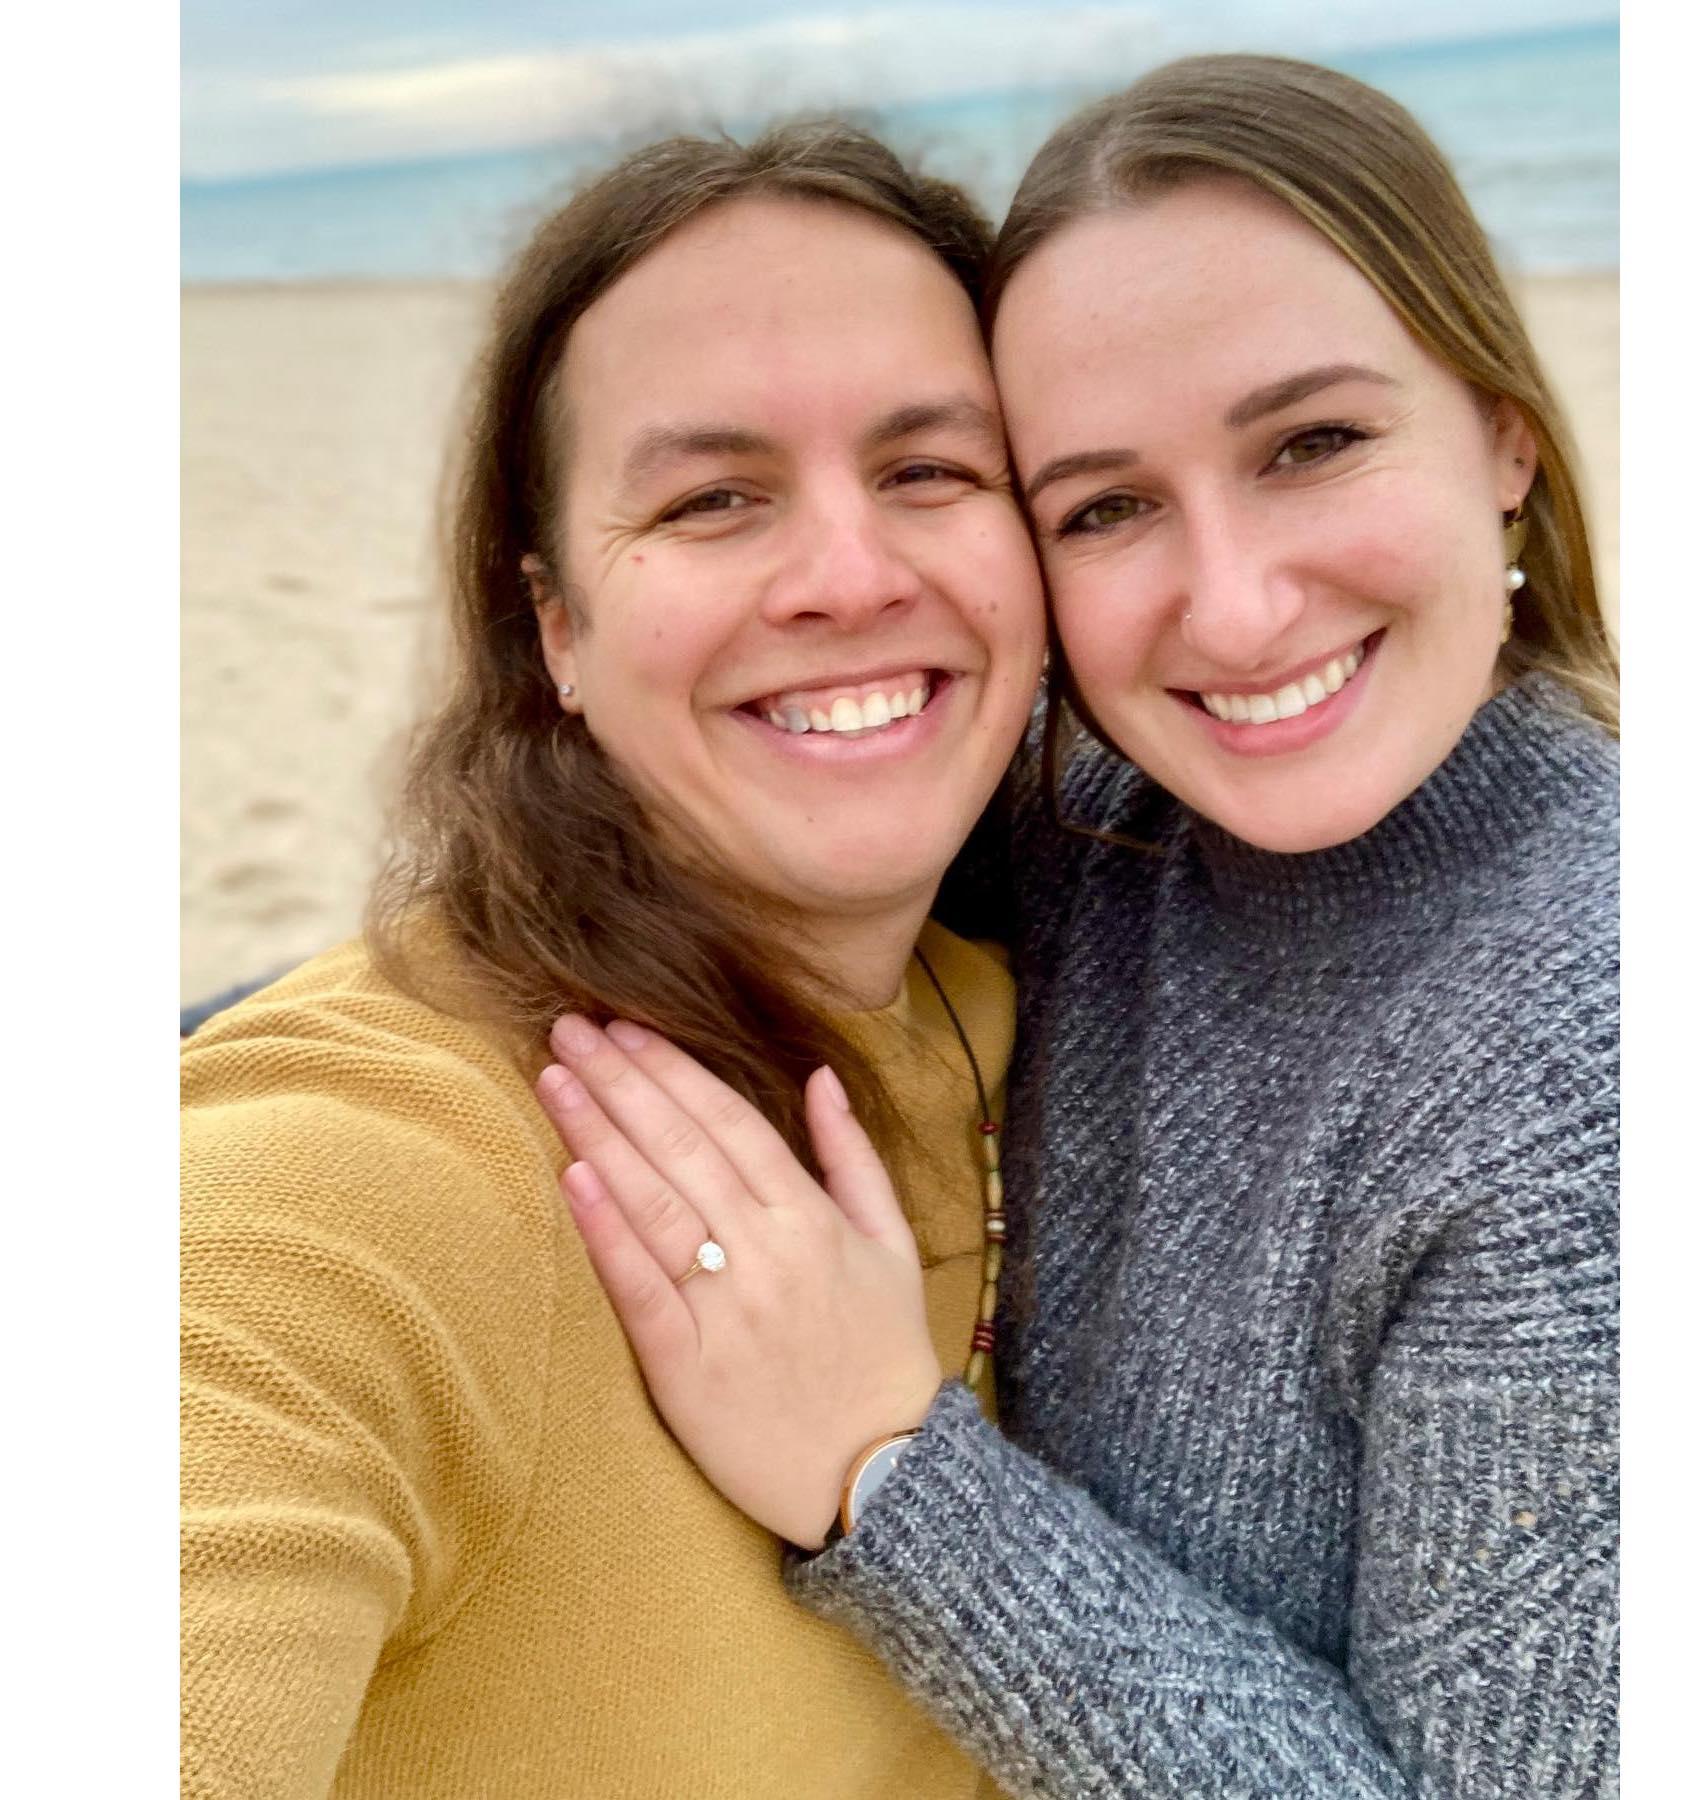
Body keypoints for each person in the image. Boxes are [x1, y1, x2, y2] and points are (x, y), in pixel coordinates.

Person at [538, 55, 1619, 1798]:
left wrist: (888, 1473)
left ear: (1502, 430)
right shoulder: (1098, 816)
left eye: (1314, 443)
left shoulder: (1597, 1060)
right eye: (1105, 506)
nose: (1238, 606)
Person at [179, 123, 1047, 1798]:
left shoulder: (1052, 1010)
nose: (851, 575)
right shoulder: (350, 1185)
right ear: (556, 629)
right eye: (712, 497)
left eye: (932, 468)